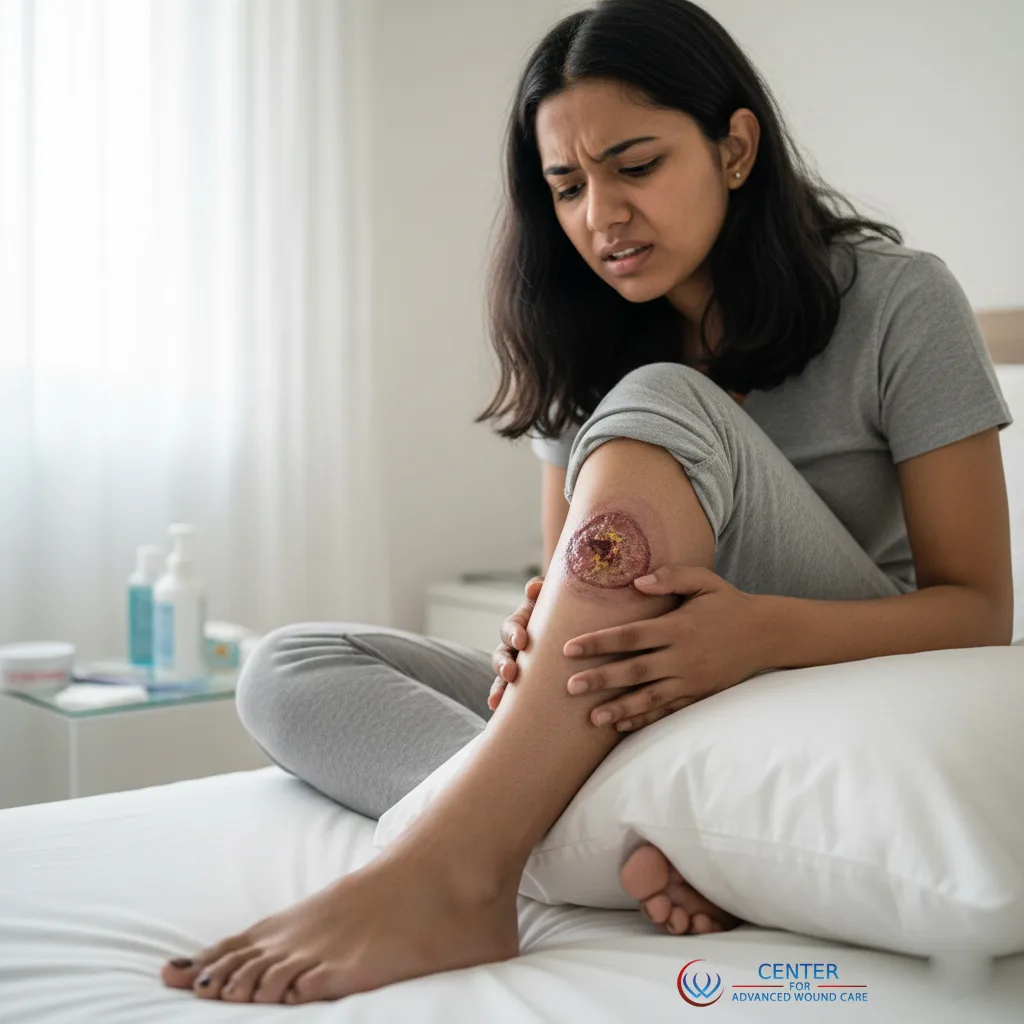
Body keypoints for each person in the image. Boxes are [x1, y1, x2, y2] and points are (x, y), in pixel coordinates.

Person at [161, 0, 1014, 1005]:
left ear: (734, 147)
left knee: (658, 398)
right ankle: (618, 847)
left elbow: (978, 611)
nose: (599, 216)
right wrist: (538, 618)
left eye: (635, 165)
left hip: (806, 659)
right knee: (288, 667)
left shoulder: (898, 301)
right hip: (646, 697)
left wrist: (750, 636)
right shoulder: (587, 337)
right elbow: (577, 577)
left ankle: (455, 868)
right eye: (567, 186)